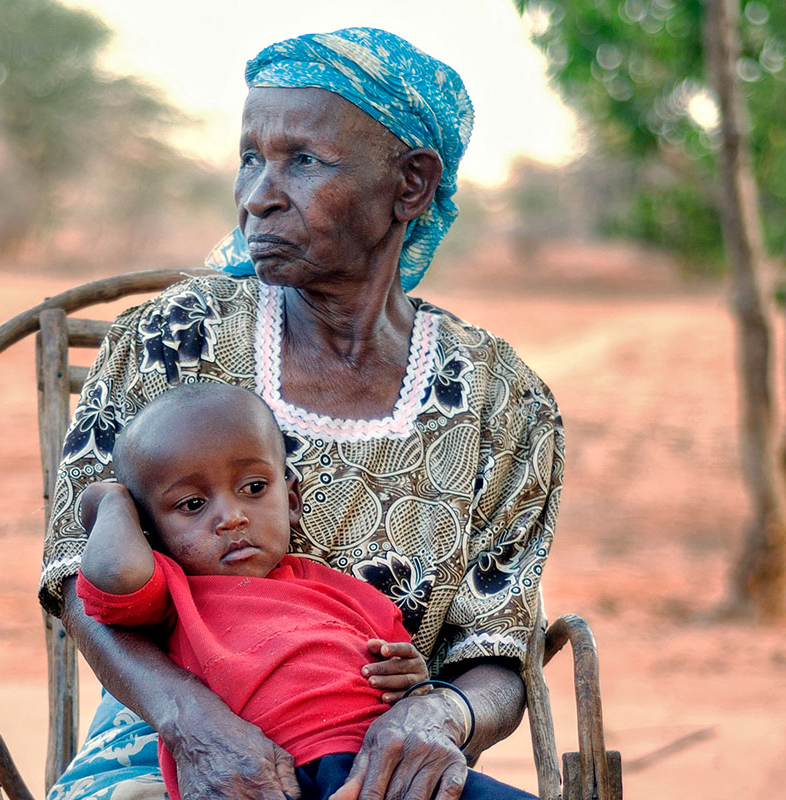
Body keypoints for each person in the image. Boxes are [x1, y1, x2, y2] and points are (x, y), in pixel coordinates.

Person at [40, 26, 564, 800]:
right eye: (251, 157)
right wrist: (192, 722)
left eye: (304, 162)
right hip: (172, 749)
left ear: (412, 185)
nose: (258, 196)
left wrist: (442, 715)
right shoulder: (174, 341)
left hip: (381, 765)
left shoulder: (501, 398)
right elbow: (75, 578)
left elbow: (496, 647)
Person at [76, 382, 440, 800]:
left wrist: (412, 677)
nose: (231, 518)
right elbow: (115, 572)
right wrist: (109, 501)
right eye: (192, 504)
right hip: (260, 778)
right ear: (150, 533)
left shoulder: (349, 593)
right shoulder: (174, 592)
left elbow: (403, 676)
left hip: (374, 767)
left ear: (291, 498)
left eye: (253, 488)